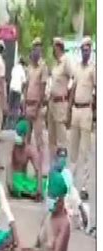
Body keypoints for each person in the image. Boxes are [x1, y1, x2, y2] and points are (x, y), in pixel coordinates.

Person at [68, 36, 95, 201]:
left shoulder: (94, 70)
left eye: (88, 49)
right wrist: (69, 110)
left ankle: (84, 186)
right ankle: (70, 182)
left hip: (86, 110)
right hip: (76, 109)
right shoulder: (77, 69)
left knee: (85, 150)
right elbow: (73, 89)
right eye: (83, 49)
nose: (85, 52)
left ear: (90, 51)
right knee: (73, 148)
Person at [22, 37, 48, 176]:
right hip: (28, 106)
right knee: (26, 139)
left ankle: (40, 169)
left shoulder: (43, 67)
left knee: (39, 141)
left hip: (37, 108)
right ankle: (24, 168)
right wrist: (24, 103)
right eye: (34, 47)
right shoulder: (29, 67)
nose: (36, 50)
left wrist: (37, 107)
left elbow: (43, 90)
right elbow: (26, 86)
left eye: (39, 47)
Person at [48, 37, 73, 156]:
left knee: (61, 139)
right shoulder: (56, 64)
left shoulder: (66, 61)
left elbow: (73, 79)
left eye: (54, 46)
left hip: (61, 103)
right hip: (52, 103)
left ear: (58, 47)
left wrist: (68, 92)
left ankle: (61, 168)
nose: (53, 49)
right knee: (51, 138)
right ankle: (53, 167)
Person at [7, 118, 44, 201]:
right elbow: (9, 166)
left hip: (24, 180)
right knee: (17, 183)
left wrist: (39, 188)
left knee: (44, 183)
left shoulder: (30, 150)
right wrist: (9, 184)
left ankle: (31, 192)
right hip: (16, 179)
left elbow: (38, 170)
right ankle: (24, 192)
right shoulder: (12, 147)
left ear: (25, 136)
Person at [7, 57, 27, 129]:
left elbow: (11, 77)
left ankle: (8, 124)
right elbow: (24, 82)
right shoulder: (22, 70)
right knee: (16, 108)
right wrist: (22, 91)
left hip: (12, 89)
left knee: (10, 107)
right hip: (18, 90)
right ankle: (14, 125)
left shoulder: (14, 68)